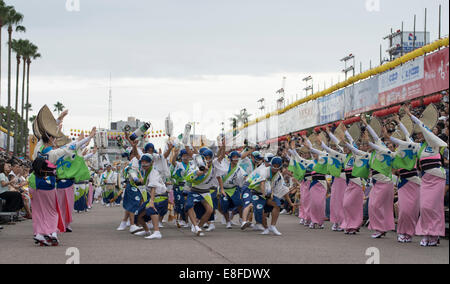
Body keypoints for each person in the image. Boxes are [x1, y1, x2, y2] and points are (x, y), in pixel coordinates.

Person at [405, 105, 448, 246]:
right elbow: (404, 138)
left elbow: (424, 128)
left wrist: (411, 115)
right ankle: (426, 233)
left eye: (421, 133)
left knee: (433, 207)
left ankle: (434, 235)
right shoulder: (419, 147)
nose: (419, 134)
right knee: (424, 207)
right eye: (418, 134)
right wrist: (401, 124)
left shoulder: (435, 142)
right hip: (425, 180)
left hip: (437, 178)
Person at [361, 115, 396, 239]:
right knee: (373, 206)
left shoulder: (383, 149)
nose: (369, 143)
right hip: (376, 183)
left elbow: (373, 139)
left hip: (385, 182)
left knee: (377, 206)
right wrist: (365, 123)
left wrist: (367, 132)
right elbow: (373, 137)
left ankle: (381, 229)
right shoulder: (372, 154)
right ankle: (380, 228)